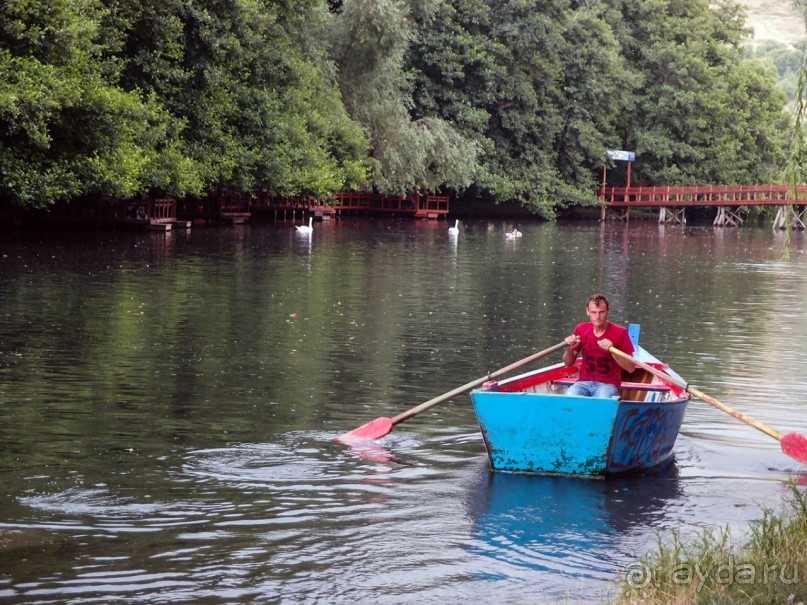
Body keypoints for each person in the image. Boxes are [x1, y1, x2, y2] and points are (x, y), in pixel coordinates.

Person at [562, 293, 635, 398]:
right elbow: (568, 363)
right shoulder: (581, 329)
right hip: (583, 383)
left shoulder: (620, 332)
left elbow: (631, 368)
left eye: (601, 312)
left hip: (608, 384)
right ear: (587, 311)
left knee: (603, 398)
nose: (597, 317)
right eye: (593, 312)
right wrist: (569, 349)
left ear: (608, 311)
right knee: (570, 396)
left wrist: (612, 351)